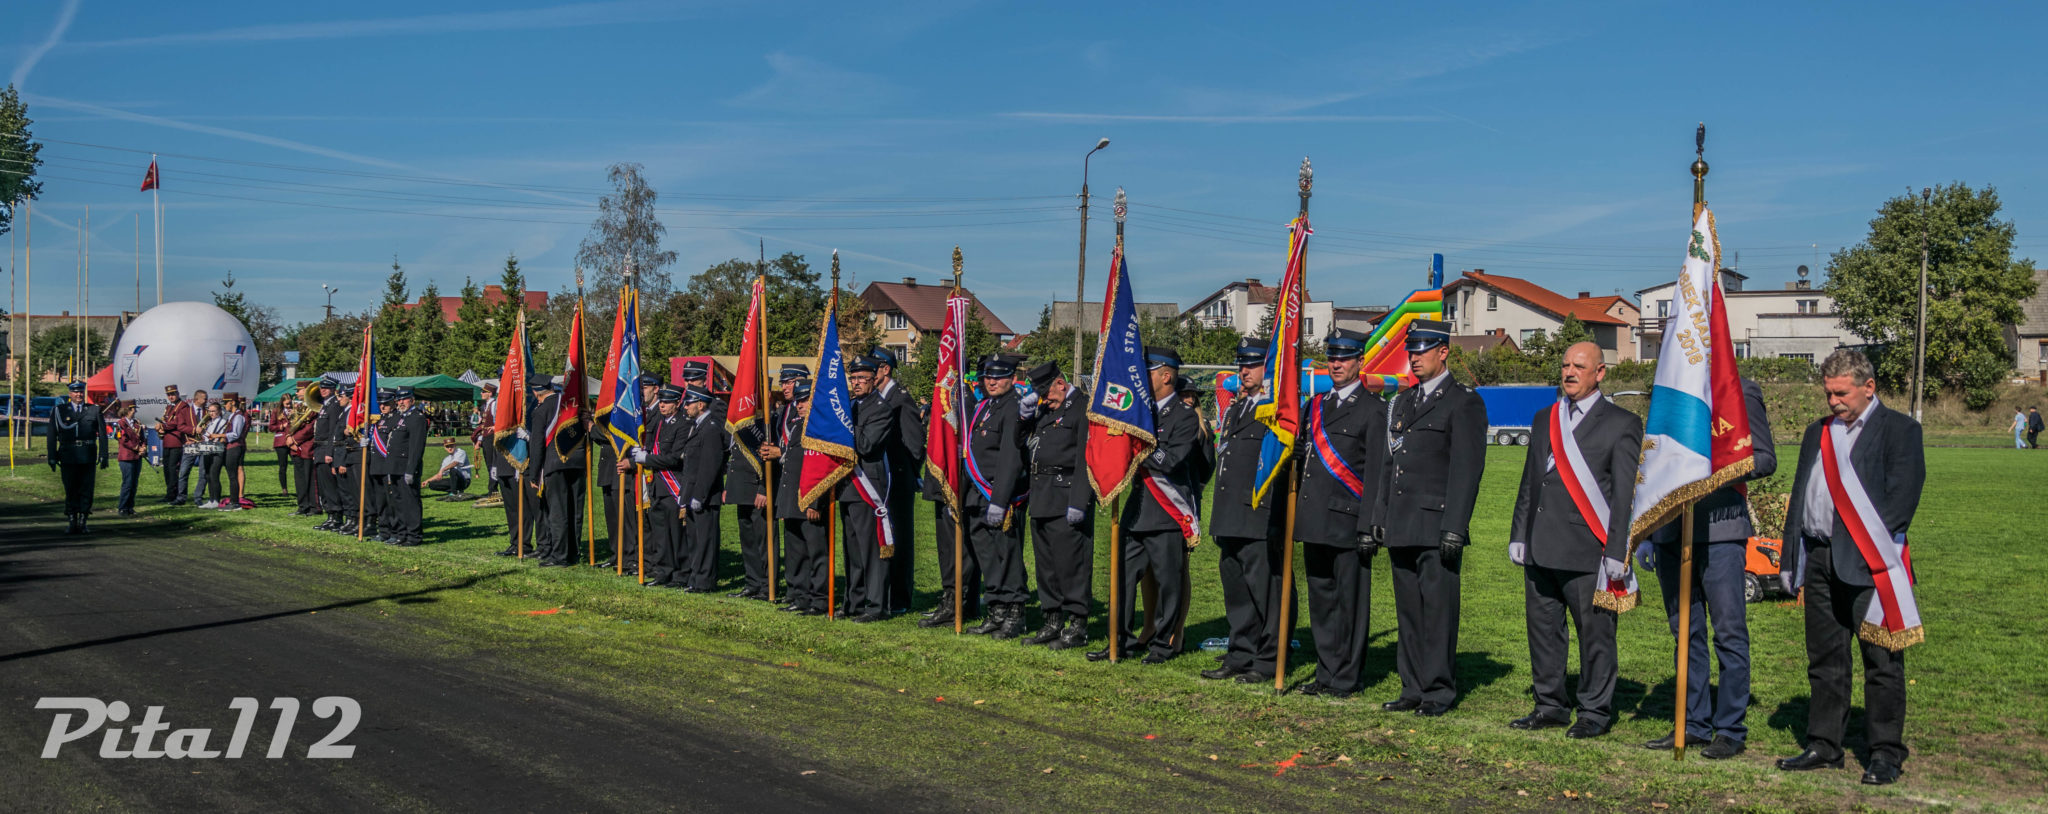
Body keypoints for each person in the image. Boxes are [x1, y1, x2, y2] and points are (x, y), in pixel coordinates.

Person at [1776, 349, 1925, 787]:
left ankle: (1885, 753)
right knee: (1825, 659)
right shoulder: (1817, 432)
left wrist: (1867, 552)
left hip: (1870, 563)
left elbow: (1901, 502)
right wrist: (1792, 555)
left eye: (1841, 393)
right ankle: (1824, 744)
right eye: (1828, 393)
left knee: (1881, 661)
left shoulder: (1900, 430)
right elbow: (1801, 496)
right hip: (1820, 557)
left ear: (1868, 387)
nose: (1833, 402)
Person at [1505, 342, 1640, 739]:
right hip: (1541, 544)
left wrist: (1618, 549)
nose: (1569, 372)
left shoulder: (1622, 423)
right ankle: (1549, 705)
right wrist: (1519, 533)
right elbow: (1531, 481)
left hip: (1588, 550)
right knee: (1544, 632)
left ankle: (1594, 711)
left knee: (1595, 636)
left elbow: (1624, 495)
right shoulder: (1545, 417)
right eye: (1565, 365)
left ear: (1600, 372)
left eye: (1579, 366)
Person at [1640, 376, 1775, 758]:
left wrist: (1710, 467)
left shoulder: (1740, 390)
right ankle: (1693, 723)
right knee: (1685, 632)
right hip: (1671, 532)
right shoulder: (1671, 386)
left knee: (1728, 633)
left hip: (1721, 532)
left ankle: (1730, 728)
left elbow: (1764, 458)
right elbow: (1653, 460)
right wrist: (1648, 531)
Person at [1369, 318, 1486, 717]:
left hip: (1436, 526)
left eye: (1422, 350)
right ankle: (1412, 687)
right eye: (1411, 351)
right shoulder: (1403, 402)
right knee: (1408, 612)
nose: (1414, 358)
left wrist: (1455, 526)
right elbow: (1389, 465)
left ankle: (1437, 690)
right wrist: (1380, 513)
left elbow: (1467, 471)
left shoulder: (1463, 402)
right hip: (1401, 522)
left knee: (1437, 612)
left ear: (1443, 352)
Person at [1290, 331, 1391, 697]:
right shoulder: (1314, 406)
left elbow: (1378, 473)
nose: (1336, 364)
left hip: (1349, 521)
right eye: (1332, 357)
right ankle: (1325, 672)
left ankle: (1346, 677)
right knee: (1321, 602)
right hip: (1315, 518)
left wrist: (1369, 526)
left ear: (1359, 362)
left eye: (1344, 358)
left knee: (1349, 604)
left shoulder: (1374, 409)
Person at [1090, 346, 1204, 665]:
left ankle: (1163, 644)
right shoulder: (1141, 411)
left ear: (1166, 376)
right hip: (1137, 510)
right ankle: (1120, 640)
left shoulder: (1184, 417)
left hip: (1166, 512)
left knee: (1168, 583)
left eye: (1149, 371)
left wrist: (1139, 442)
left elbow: (1170, 461)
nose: (1142, 376)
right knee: (1122, 578)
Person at [1204, 341, 1294, 684]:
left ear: (1267, 369)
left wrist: (1276, 519)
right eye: (1241, 364)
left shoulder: (1277, 412)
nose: (1244, 371)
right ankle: (1240, 653)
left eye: (1252, 365)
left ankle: (1269, 659)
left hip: (1259, 516)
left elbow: (1279, 469)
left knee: (1267, 592)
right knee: (1238, 593)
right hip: (1231, 516)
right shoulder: (1236, 409)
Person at [1022, 361, 1094, 650]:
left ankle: (1077, 624)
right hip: (1041, 494)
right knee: (1047, 565)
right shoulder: (1046, 409)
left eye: (1047, 394)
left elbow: (1086, 457)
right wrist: (1023, 417)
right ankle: (1052, 620)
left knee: (1071, 564)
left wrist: (1079, 501)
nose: (1044, 400)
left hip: (1066, 496)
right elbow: (1021, 442)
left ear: (1061, 384)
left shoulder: (1082, 408)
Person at [961, 354, 1030, 637]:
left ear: (1012, 379)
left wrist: (999, 500)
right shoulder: (985, 406)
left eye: (999, 377)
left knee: (1007, 556)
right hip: (977, 495)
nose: (992, 382)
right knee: (987, 556)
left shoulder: (1013, 408)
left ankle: (1015, 613)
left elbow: (1011, 459)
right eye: (989, 377)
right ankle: (996, 609)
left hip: (1000, 495)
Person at [868, 348, 925, 615]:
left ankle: (900, 597)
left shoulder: (901, 399)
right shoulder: (878, 398)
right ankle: (884, 591)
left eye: (873, 369)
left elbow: (915, 442)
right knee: (883, 536)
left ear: (885, 369)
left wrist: (909, 474)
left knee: (899, 538)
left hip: (898, 478)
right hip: (882, 478)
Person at [773, 381, 828, 615]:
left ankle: (819, 599)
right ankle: (798, 594)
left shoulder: (820, 428)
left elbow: (821, 468)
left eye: (805, 400)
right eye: (798, 401)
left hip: (809, 499)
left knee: (816, 553)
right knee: (795, 551)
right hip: (791, 497)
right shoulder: (797, 425)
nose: (800, 405)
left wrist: (815, 502)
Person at [628, 385, 690, 587]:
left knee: (676, 534)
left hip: (673, 485)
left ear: (677, 403)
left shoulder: (683, 424)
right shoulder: (660, 423)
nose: (662, 405)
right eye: (661, 401)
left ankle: (681, 574)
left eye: (667, 402)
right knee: (661, 534)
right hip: (657, 486)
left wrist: (647, 459)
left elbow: (674, 458)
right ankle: (664, 572)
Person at [671, 386, 727, 590]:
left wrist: (699, 495)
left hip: (705, 496)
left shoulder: (710, 428)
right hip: (692, 492)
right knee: (694, 539)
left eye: (689, 403)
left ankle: (705, 581)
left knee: (705, 540)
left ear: (701, 404)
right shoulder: (697, 426)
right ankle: (695, 578)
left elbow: (710, 466)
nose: (685, 407)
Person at [534, 377, 589, 567]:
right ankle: (573, 552)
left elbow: (537, 444)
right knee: (575, 510)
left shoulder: (541, 410)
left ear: (536, 392)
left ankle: (560, 555)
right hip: (577, 461)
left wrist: (535, 473)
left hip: (555, 464)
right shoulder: (573, 404)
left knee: (558, 512)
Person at [48, 380, 108, 533]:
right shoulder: (59, 410)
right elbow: (52, 434)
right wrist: (52, 456)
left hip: (87, 455)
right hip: (68, 455)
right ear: (70, 393)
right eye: (75, 392)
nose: (78, 394)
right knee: (70, 488)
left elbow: (102, 435)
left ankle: (83, 520)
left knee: (86, 488)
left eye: (81, 391)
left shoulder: (94, 410)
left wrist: (104, 455)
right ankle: (72, 519)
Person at [385, 388, 429, 547]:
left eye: (404, 399)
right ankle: (401, 533)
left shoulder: (417, 418)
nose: (401, 402)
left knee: (410, 502)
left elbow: (416, 447)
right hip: (395, 466)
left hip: (406, 467)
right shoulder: (399, 417)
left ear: (412, 400)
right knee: (398, 502)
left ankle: (414, 535)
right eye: (398, 400)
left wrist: (411, 470)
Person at [311, 378, 348, 530]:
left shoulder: (334, 406)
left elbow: (333, 431)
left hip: (326, 448)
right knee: (324, 487)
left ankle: (336, 516)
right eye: (322, 388)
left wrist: (329, 452)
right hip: (320, 448)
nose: (323, 390)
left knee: (330, 486)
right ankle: (330, 515)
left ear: (334, 389)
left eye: (327, 388)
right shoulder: (325, 406)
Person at [156, 384, 195, 504]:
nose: (171, 397)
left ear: (177, 394)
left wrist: (162, 426)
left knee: (173, 469)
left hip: (176, 441)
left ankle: (173, 494)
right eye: (169, 395)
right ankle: (169, 493)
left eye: (173, 394)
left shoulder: (183, 406)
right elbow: (166, 420)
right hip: (167, 441)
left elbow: (176, 423)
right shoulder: (169, 407)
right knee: (167, 469)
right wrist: (160, 427)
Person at [112, 401, 144, 517]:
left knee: (134, 483)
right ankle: (123, 507)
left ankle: (130, 507)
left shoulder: (136, 423)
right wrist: (137, 447)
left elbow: (142, 438)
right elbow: (123, 440)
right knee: (128, 483)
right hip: (126, 457)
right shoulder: (120, 424)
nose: (135, 411)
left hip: (137, 457)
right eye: (133, 409)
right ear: (128, 410)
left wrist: (143, 447)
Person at [196, 402, 229, 509]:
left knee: (214, 475)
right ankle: (211, 500)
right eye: (209, 411)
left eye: (213, 411)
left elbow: (217, 436)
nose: (211, 413)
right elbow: (207, 437)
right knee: (208, 475)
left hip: (217, 451)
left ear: (219, 411)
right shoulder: (210, 423)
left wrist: (205, 433)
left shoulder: (222, 422)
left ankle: (216, 500)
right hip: (208, 450)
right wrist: (201, 434)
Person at [220, 393, 250, 510]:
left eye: (225, 403)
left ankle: (235, 502)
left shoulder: (238, 416)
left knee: (233, 476)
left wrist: (221, 436)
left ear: (232, 403)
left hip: (235, 447)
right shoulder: (232, 415)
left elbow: (235, 434)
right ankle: (233, 500)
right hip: (231, 447)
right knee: (231, 475)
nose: (224, 405)